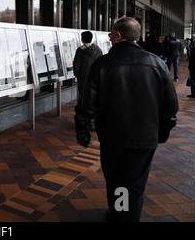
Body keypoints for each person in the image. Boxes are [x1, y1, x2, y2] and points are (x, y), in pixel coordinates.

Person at [74, 17, 179, 222]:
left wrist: (82, 129)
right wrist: (163, 132)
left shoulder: (103, 64)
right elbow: (171, 107)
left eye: (111, 34)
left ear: (118, 35)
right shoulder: (157, 63)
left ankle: (120, 216)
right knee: (135, 182)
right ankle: (126, 216)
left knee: (117, 181)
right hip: (146, 137)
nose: (110, 38)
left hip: (113, 136)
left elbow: (88, 103)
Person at [73, 31, 103, 95]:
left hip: (83, 77)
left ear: (82, 39)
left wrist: (77, 74)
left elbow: (76, 64)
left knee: (83, 95)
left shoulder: (80, 50)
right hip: (95, 76)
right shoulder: (97, 49)